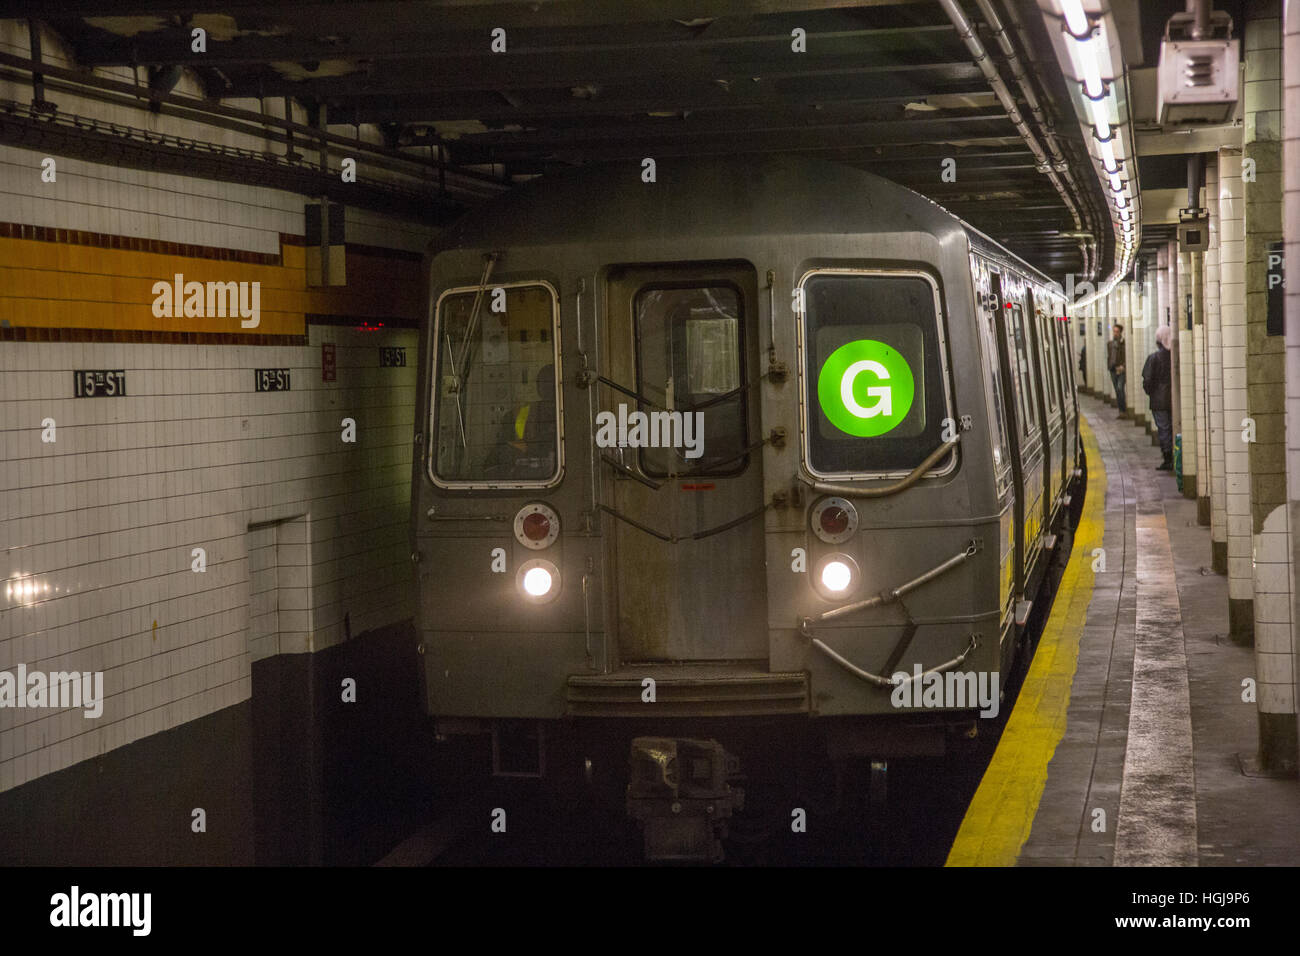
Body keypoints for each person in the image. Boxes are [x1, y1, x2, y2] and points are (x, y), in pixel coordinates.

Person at [482, 363, 557, 478]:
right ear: (539, 388)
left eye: (553, 384)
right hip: (525, 482)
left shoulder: (577, 419)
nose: (551, 389)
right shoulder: (517, 416)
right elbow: (493, 463)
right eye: (546, 384)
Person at [1143, 325, 1173, 471]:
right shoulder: (1174, 356)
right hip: (1173, 400)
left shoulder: (1154, 358)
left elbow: (1147, 380)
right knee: (1171, 428)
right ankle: (1173, 456)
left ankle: (1167, 458)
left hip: (1159, 401)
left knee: (1163, 429)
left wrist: (1152, 393)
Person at [1106, 322, 1126, 417]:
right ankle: (1120, 411)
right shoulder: (1109, 344)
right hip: (1113, 369)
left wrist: (1123, 365)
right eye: (1114, 331)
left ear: (1120, 333)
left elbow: (1125, 356)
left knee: (1120, 388)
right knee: (1117, 390)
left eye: (1117, 332)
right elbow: (1110, 356)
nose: (1115, 333)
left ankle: (1123, 410)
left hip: (1121, 369)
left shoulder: (1123, 343)